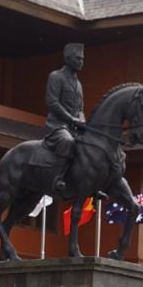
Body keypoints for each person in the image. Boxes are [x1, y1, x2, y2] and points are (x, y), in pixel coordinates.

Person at [43, 42, 86, 196]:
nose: (81, 62)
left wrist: (82, 121)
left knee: (92, 145)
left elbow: (80, 108)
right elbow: (52, 102)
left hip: (75, 128)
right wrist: (71, 119)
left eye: (82, 59)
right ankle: (57, 178)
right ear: (67, 59)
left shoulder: (78, 84)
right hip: (57, 126)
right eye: (78, 58)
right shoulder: (56, 77)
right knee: (68, 141)